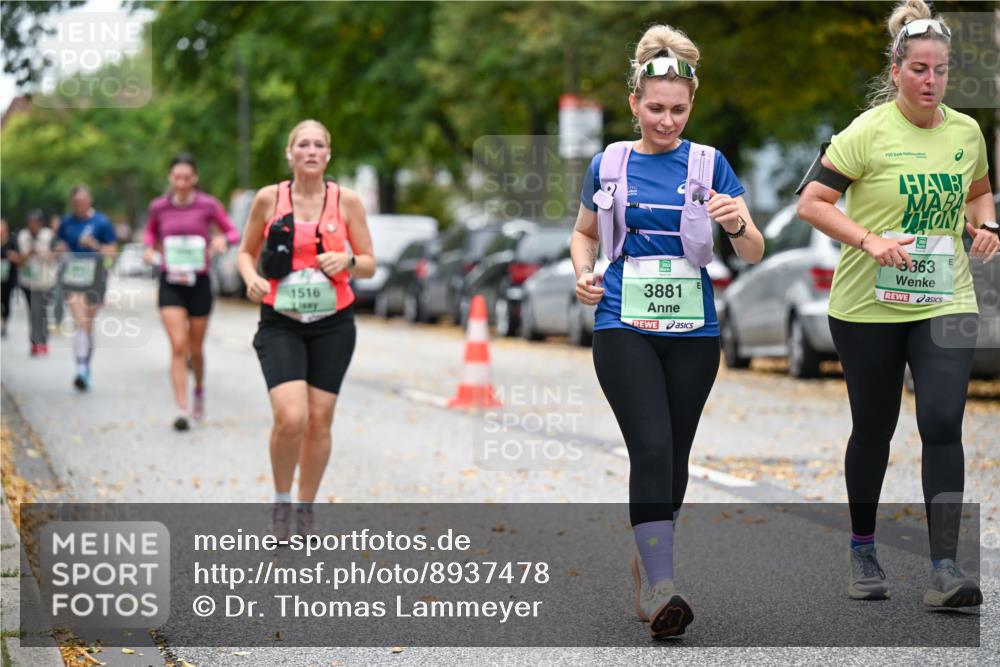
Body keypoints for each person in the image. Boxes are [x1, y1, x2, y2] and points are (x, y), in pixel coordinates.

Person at [797, 0, 996, 608]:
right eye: (918, 69)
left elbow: (980, 194)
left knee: (941, 422)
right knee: (875, 429)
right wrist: (870, 239)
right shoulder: (867, 132)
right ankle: (862, 548)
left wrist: (987, 225)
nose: (930, 81)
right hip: (866, 305)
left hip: (945, 298)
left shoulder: (966, 132)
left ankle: (945, 569)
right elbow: (811, 202)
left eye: (939, 70)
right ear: (896, 70)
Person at [570, 26, 764, 639]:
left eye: (678, 110)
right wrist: (584, 273)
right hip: (622, 322)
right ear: (634, 104)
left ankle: (647, 556)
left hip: (694, 330)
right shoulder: (610, 162)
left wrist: (737, 225)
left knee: (676, 456)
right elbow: (582, 233)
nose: (667, 120)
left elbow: (755, 251)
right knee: (651, 447)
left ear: (691, 106)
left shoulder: (711, 164)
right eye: (655, 108)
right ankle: (663, 587)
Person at [237, 120, 375, 539]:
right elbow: (246, 252)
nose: (311, 151)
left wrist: (348, 262)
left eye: (319, 145)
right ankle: (281, 502)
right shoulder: (268, 199)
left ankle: (305, 508)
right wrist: (250, 278)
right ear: (290, 153)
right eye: (303, 144)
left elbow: (369, 261)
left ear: (328, 155)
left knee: (319, 420)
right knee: (291, 417)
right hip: (281, 321)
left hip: (333, 322)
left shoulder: (346, 201)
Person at [144, 153, 240, 431]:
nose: (182, 182)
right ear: (170, 178)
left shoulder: (208, 205)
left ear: (195, 178)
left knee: (195, 349)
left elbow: (233, 232)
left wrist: (222, 239)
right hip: (171, 281)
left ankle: (198, 390)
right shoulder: (158, 207)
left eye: (187, 178)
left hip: (199, 282)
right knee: (178, 345)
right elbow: (151, 234)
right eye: (177, 177)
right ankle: (182, 408)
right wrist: (149, 248)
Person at [55, 185, 117, 390]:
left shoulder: (101, 222)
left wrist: (96, 246)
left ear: (90, 200)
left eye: (83, 201)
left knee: (88, 324)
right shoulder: (66, 222)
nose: (80, 205)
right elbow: (58, 244)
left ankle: (86, 365)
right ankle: (80, 368)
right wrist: (59, 248)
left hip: (95, 277)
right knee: (80, 322)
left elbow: (112, 251)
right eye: (76, 202)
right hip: (73, 276)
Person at [15, 209, 58, 355]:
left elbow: (55, 256)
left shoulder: (49, 235)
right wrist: (28, 253)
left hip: (46, 281)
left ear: (40, 223)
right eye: (30, 223)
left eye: (35, 223)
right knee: (33, 312)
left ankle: (44, 340)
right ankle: (34, 342)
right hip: (28, 281)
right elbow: (18, 259)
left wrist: (41, 253)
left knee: (44, 312)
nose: (33, 226)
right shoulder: (22, 236)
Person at [1, 218, 20, 338]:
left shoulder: (12, 241)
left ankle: (5, 324)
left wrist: (13, 257)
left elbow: (19, 258)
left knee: (6, 301)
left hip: (8, 278)